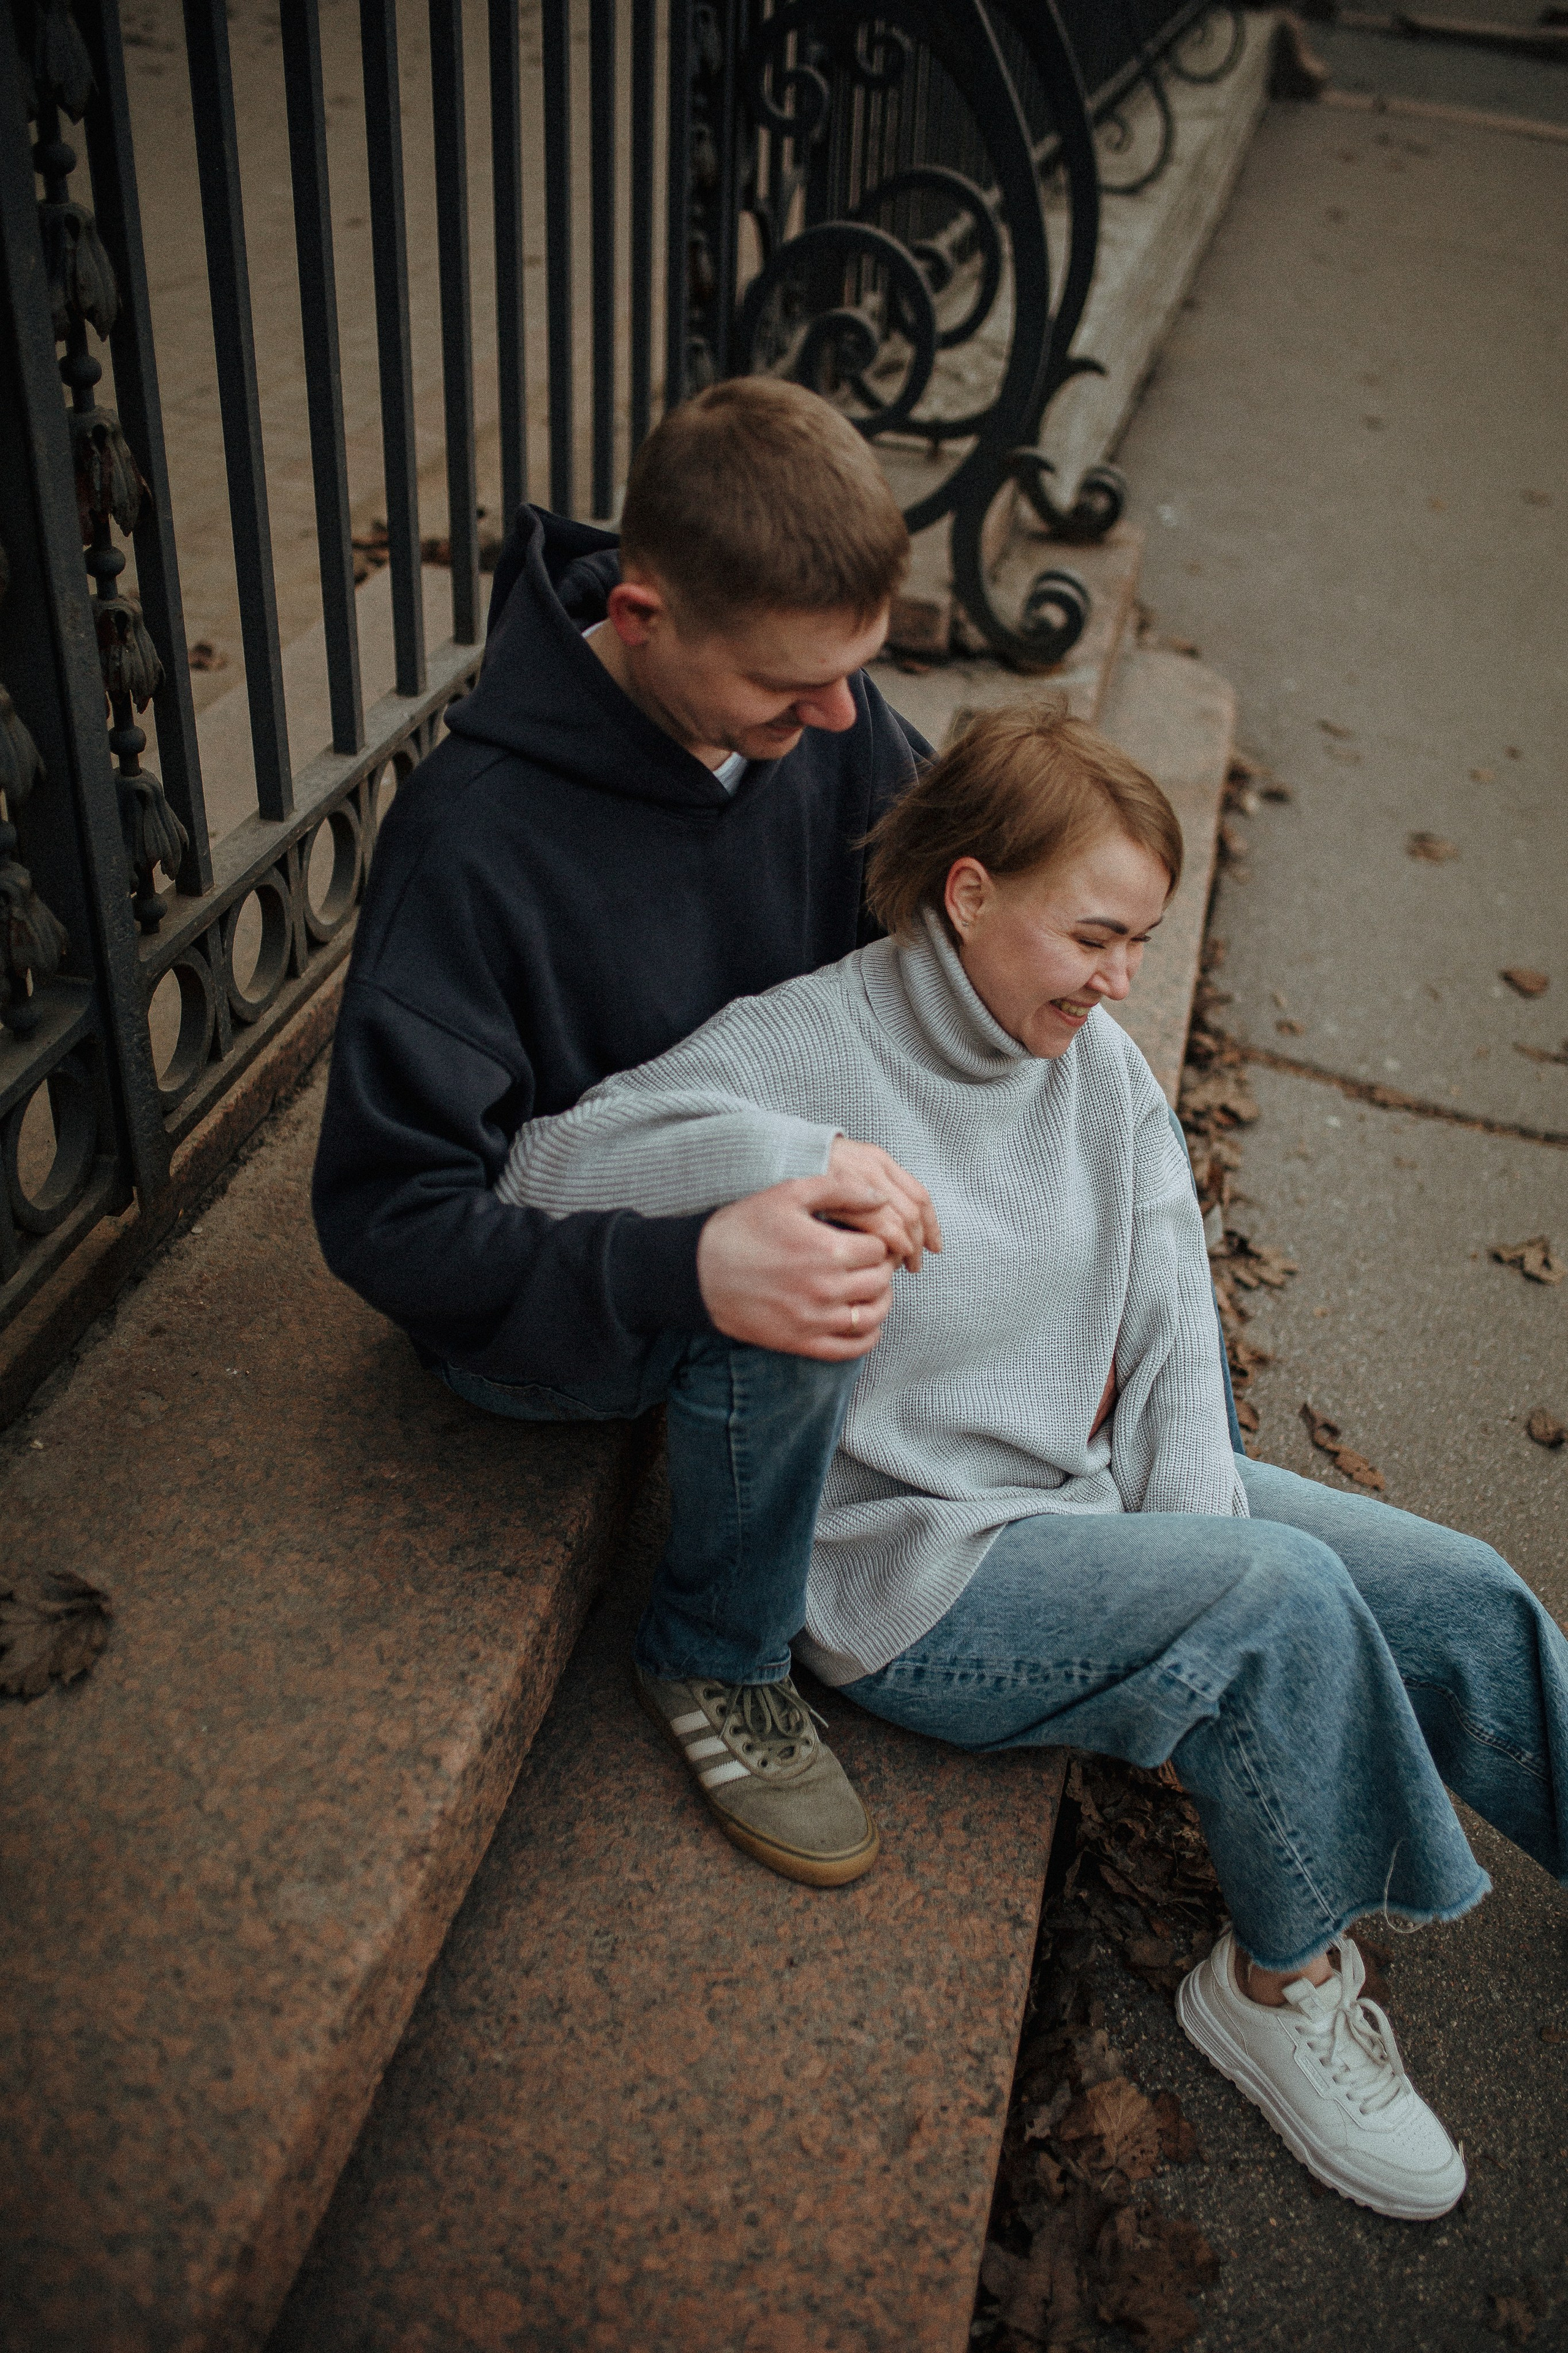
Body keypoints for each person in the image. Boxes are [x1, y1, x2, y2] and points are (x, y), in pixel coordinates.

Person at [497, 701, 1568, 2224]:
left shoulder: (1100, 1072)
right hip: (913, 1573)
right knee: (1273, 1600)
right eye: (1094, 935)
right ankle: (1276, 1985)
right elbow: (549, 1167)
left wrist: (1194, 1558)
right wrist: (787, 1159)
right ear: (970, 891)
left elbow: (1172, 1327)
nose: (1118, 978)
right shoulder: (812, 1040)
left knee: (1454, 1589)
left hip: (1090, 1505)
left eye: (1139, 940)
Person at [313, 377, 947, 1889]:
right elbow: (392, 1223)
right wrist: (689, 1271)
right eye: (793, 688)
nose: (841, 721)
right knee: (810, 1243)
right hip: (541, 1303)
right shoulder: (471, 850)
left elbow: (950, 857)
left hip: (748, 1170)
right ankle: (717, 1652)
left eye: (859, 671)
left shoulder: (819, 718)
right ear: (646, 613)